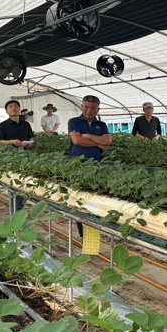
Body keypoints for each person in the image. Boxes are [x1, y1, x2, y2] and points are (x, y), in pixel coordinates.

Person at [68, 95, 112, 237]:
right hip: (78, 165)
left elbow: (108, 141)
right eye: (86, 107)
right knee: (79, 199)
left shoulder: (102, 125)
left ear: (97, 110)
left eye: (93, 108)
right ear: (81, 107)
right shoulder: (74, 121)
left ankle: (95, 230)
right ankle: (83, 233)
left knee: (95, 198)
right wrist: (98, 143)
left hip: (97, 166)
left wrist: (88, 136)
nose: (89, 110)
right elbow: (77, 141)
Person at [0, 100, 34, 213]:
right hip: (10, 158)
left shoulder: (26, 124)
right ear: (7, 111)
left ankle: (18, 209)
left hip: (25, 157)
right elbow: (0, 141)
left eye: (15, 106)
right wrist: (12, 142)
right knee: (14, 184)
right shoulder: (3, 125)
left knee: (23, 183)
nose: (13, 108)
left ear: (19, 109)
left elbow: (30, 138)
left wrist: (29, 144)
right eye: (10, 107)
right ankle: (15, 210)